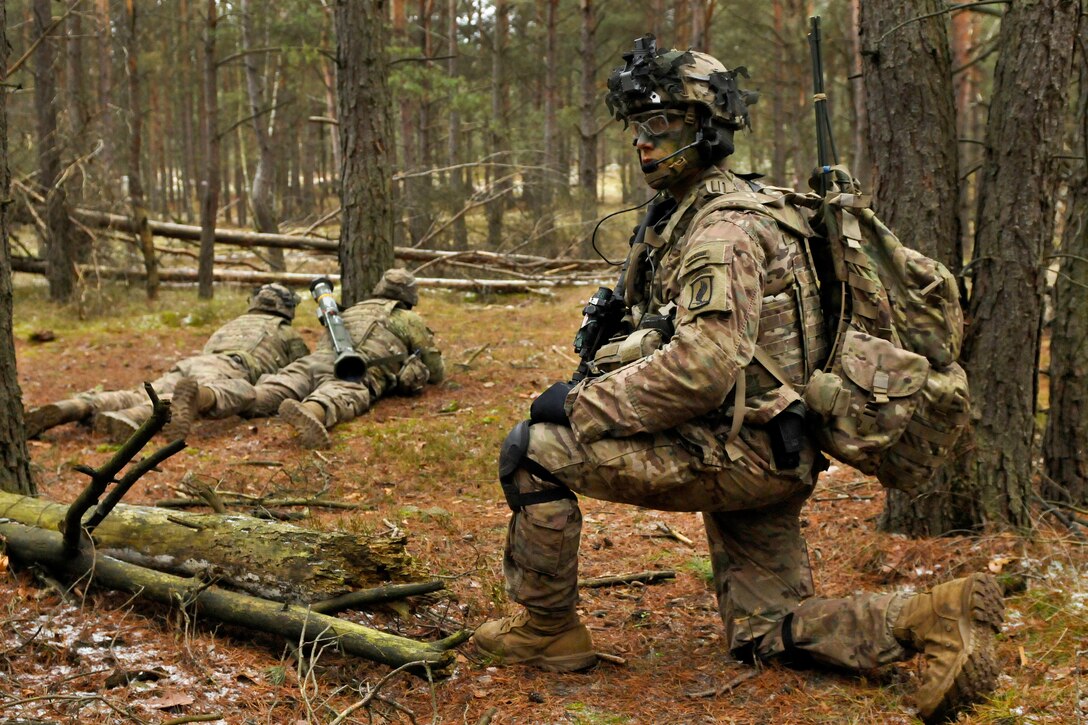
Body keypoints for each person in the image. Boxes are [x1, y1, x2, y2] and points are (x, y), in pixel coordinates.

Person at [471, 36, 1003, 724]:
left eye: (661, 127)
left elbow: (705, 366)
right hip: (775, 444)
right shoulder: (737, 205)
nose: (643, 143)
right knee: (766, 631)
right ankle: (931, 616)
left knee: (532, 448)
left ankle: (547, 630)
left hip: (738, 452)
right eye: (638, 127)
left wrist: (581, 400)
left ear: (706, 129)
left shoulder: (720, 231)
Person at [167, 268, 444, 449]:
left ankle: (205, 396)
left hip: (312, 362)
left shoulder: (347, 311)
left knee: (263, 392)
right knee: (342, 393)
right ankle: (311, 412)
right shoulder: (407, 318)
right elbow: (435, 368)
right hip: (352, 369)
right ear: (410, 297)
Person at [25, 283, 310, 443]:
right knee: (239, 392)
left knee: (139, 392)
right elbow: (298, 369)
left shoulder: (232, 323)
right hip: (229, 367)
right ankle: (134, 417)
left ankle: (78, 406)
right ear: (286, 309)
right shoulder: (286, 332)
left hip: (194, 362)